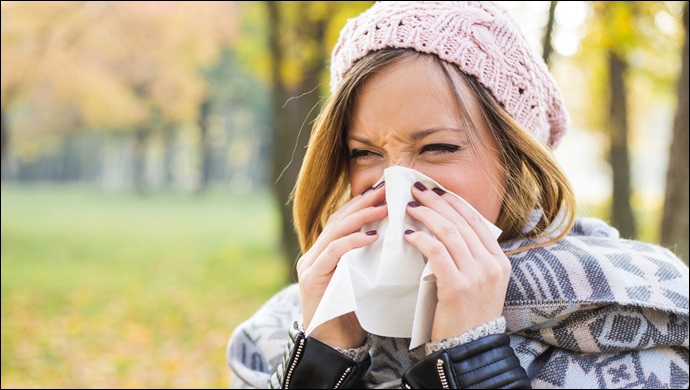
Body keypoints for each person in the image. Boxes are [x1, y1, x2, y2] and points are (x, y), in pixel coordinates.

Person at [226, 1, 689, 388]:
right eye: (364, 152)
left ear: (518, 161)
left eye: (438, 147)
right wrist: (321, 361)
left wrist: (472, 358)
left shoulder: (640, 310)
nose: (394, 187)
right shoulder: (297, 316)